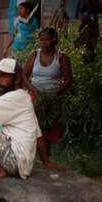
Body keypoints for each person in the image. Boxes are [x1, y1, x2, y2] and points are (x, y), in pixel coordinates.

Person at [23, 27, 72, 170]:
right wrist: (34, 91)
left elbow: (68, 80)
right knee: (32, 127)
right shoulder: (34, 55)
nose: (44, 43)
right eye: (41, 40)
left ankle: (46, 160)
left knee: (46, 129)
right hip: (35, 96)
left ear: (54, 40)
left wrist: (53, 94)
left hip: (52, 99)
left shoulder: (62, 57)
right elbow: (24, 76)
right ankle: (32, 158)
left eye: (47, 39)